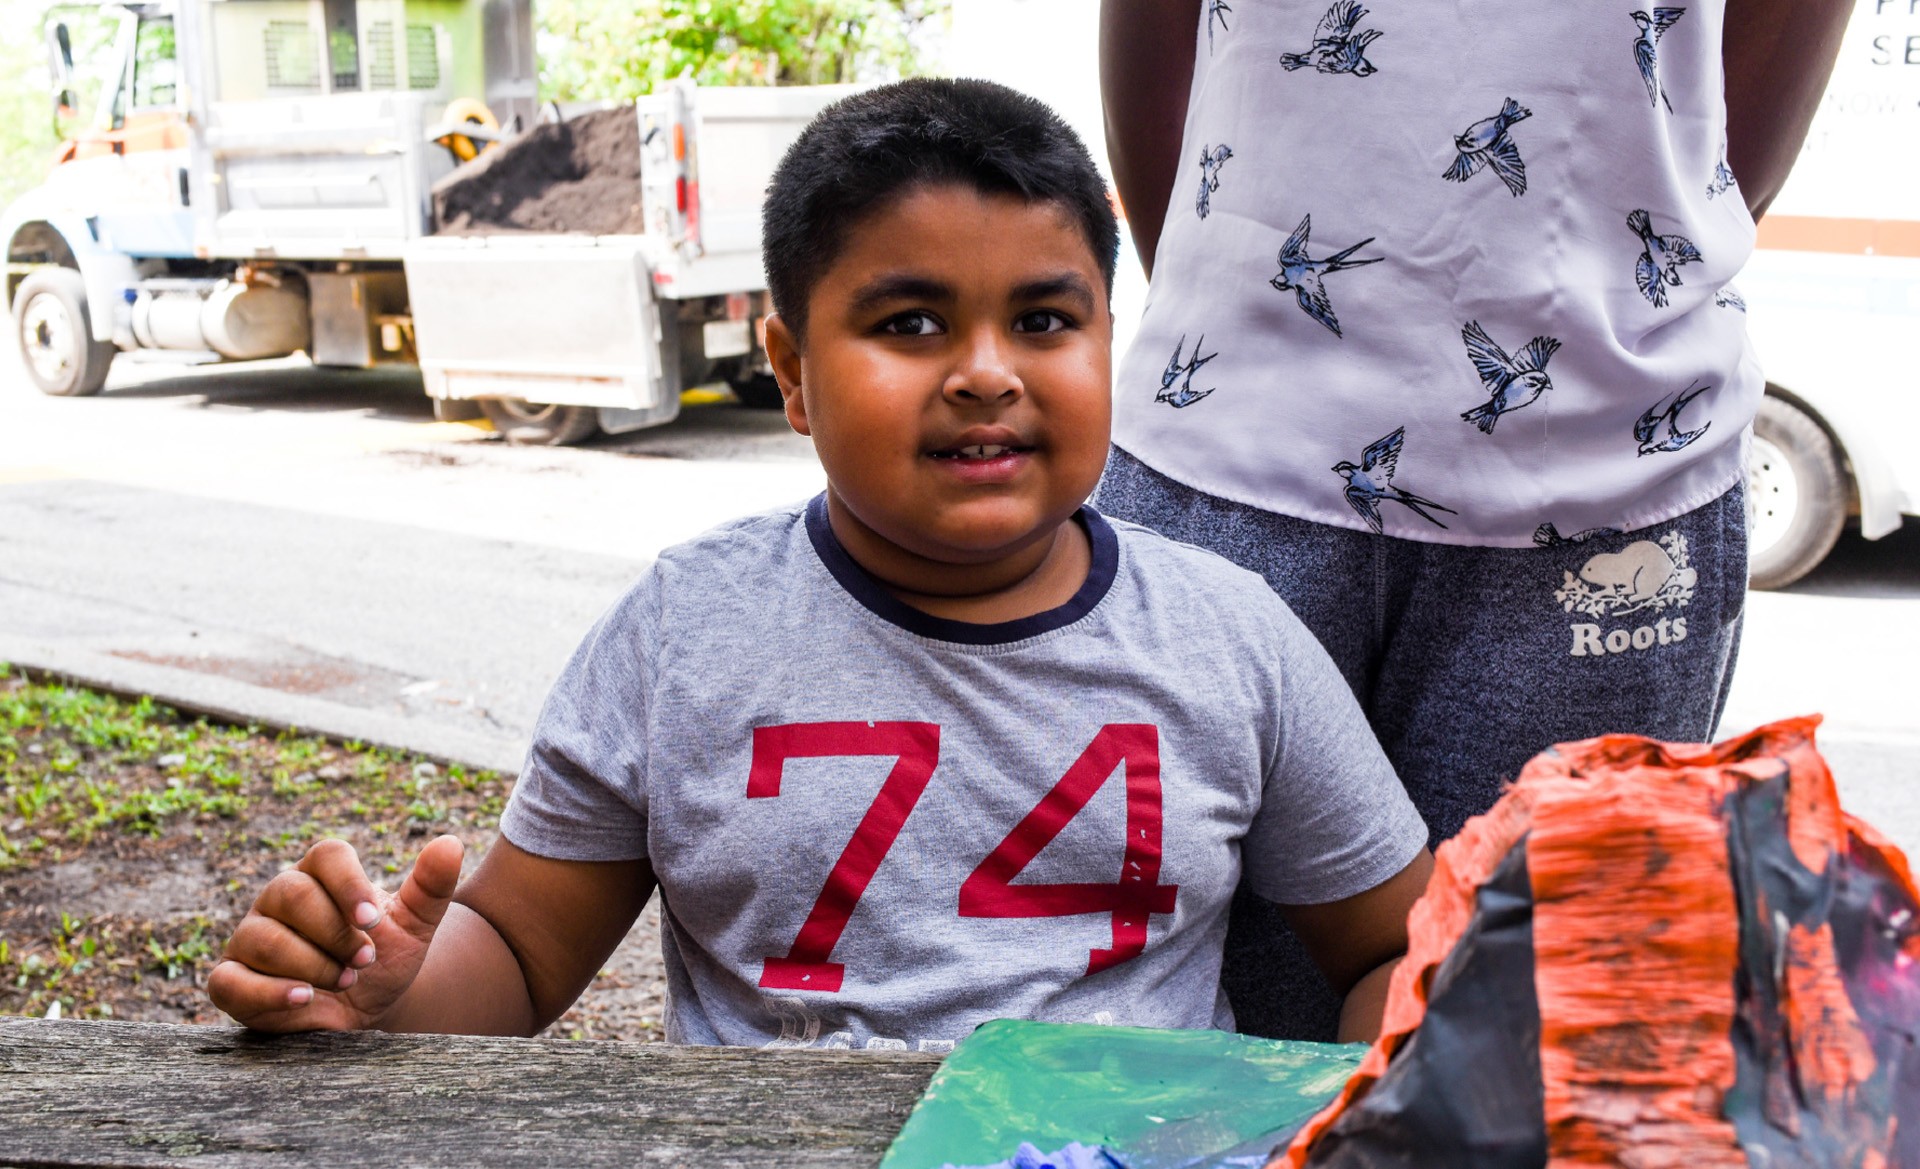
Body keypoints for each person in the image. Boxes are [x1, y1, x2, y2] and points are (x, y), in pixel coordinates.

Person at [207, 79, 1434, 1049]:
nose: (986, 372)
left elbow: (1396, 945)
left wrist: (1382, 1097)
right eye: (910, 323)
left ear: (1111, 343)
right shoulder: (682, 632)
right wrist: (388, 987)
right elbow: (520, 959)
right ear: (787, 367)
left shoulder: (1233, 638)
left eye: (1046, 321)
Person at [1095, 0, 1852, 1040]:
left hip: (1607, 469)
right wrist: (1236, 325)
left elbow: (1729, 140)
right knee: (1189, 1045)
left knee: (1513, 1042)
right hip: (1226, 442)